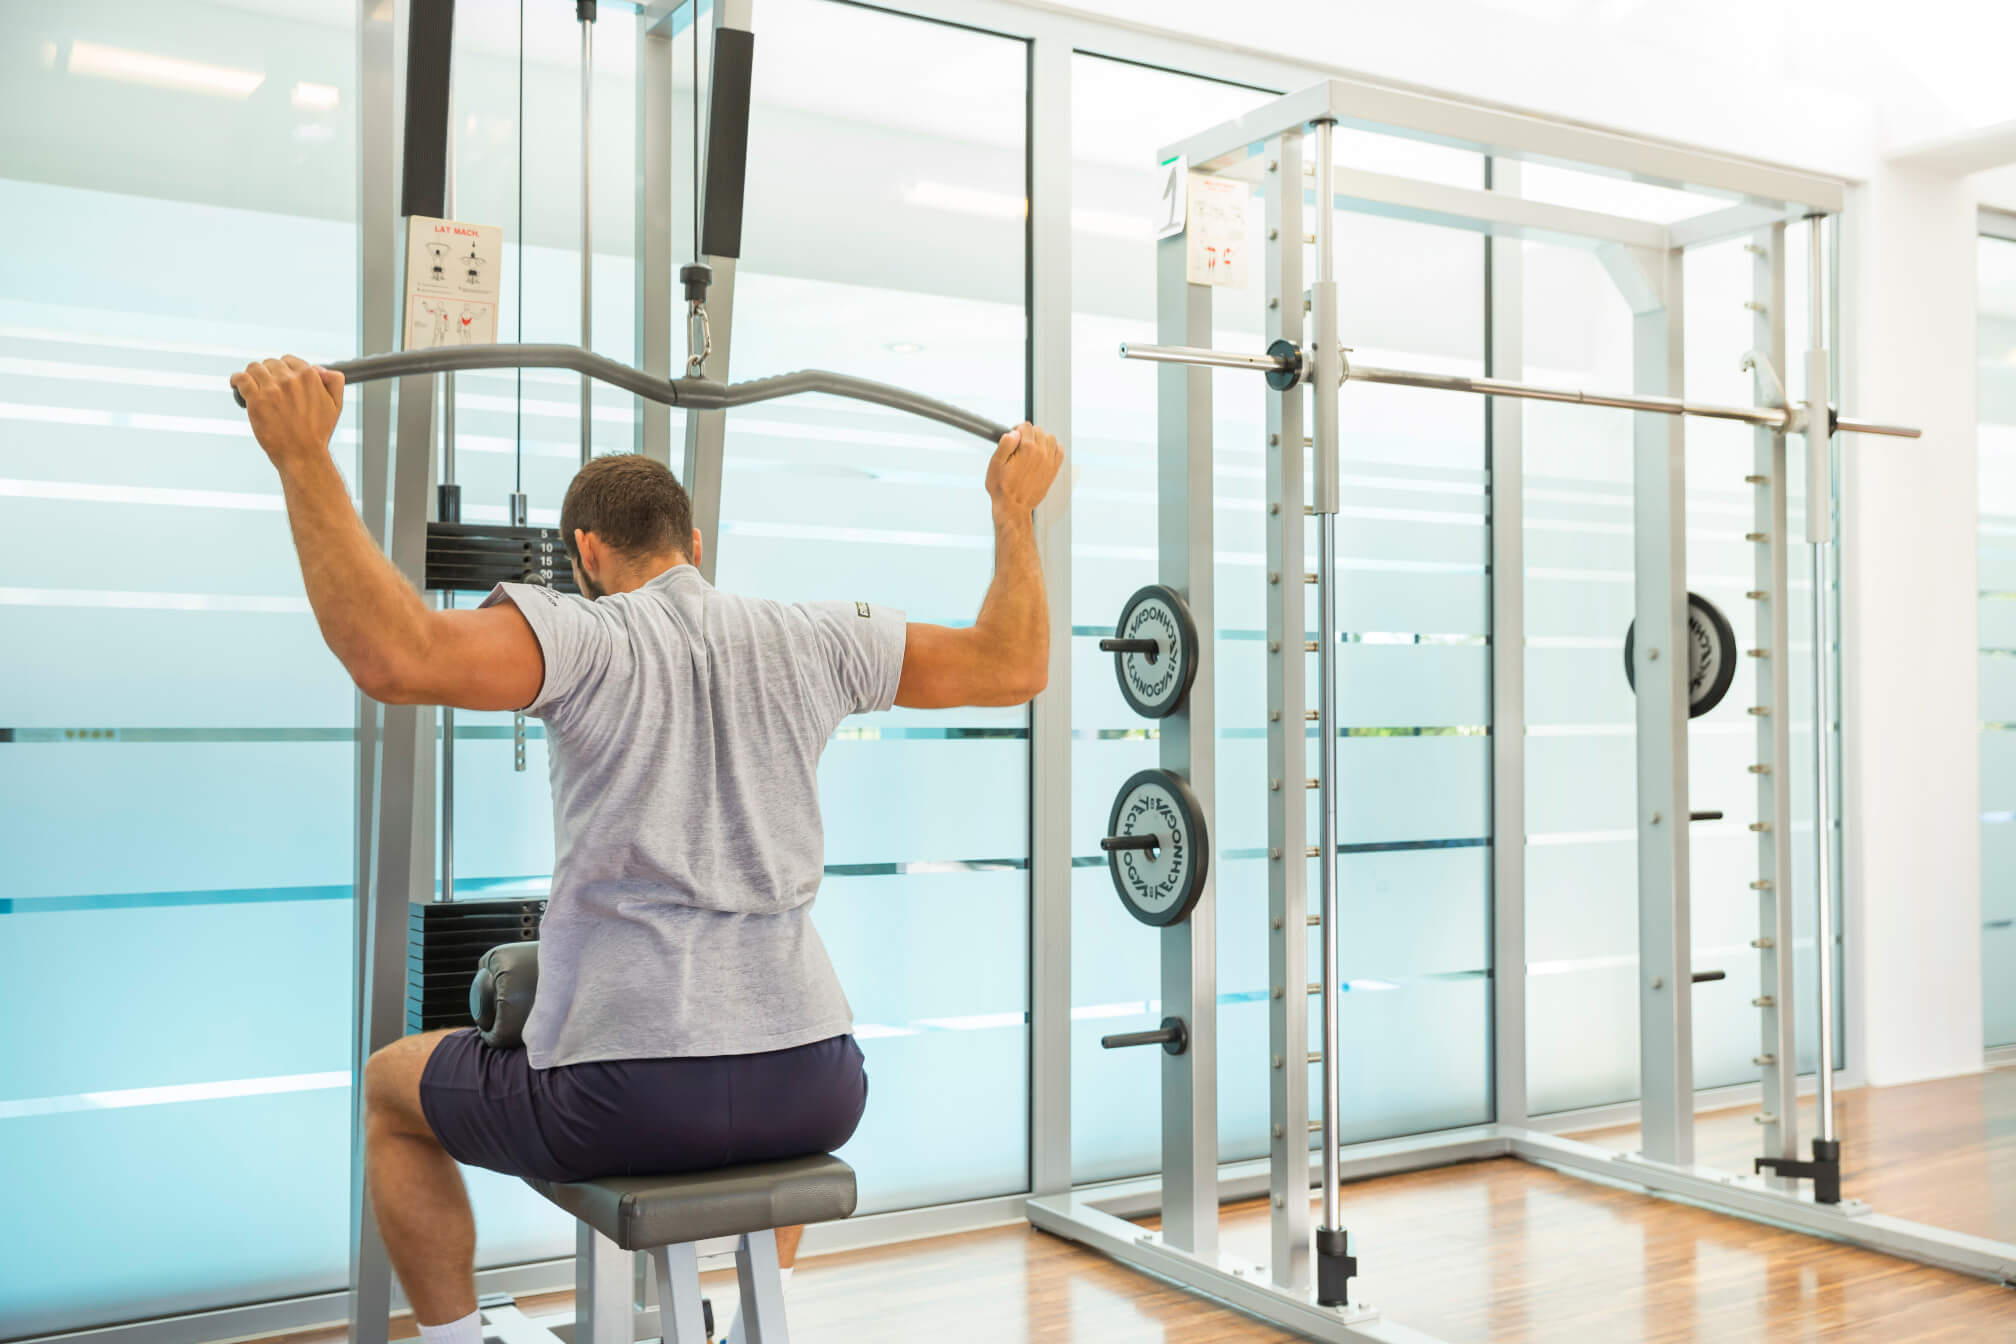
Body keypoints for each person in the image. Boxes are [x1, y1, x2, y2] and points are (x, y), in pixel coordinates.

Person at [230, 356, 1063, 1344]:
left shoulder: (581, 637)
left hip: (627, 1094)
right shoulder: (818, 635)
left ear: (584, 552)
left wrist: (300, 456)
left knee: (389, 1089)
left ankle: (457, 1340)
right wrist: (1015, 512)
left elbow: (397, 655)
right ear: (695, 544)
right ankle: (748, 1320)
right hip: (814, 1081)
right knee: (754, 1113)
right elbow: (1013, 664)